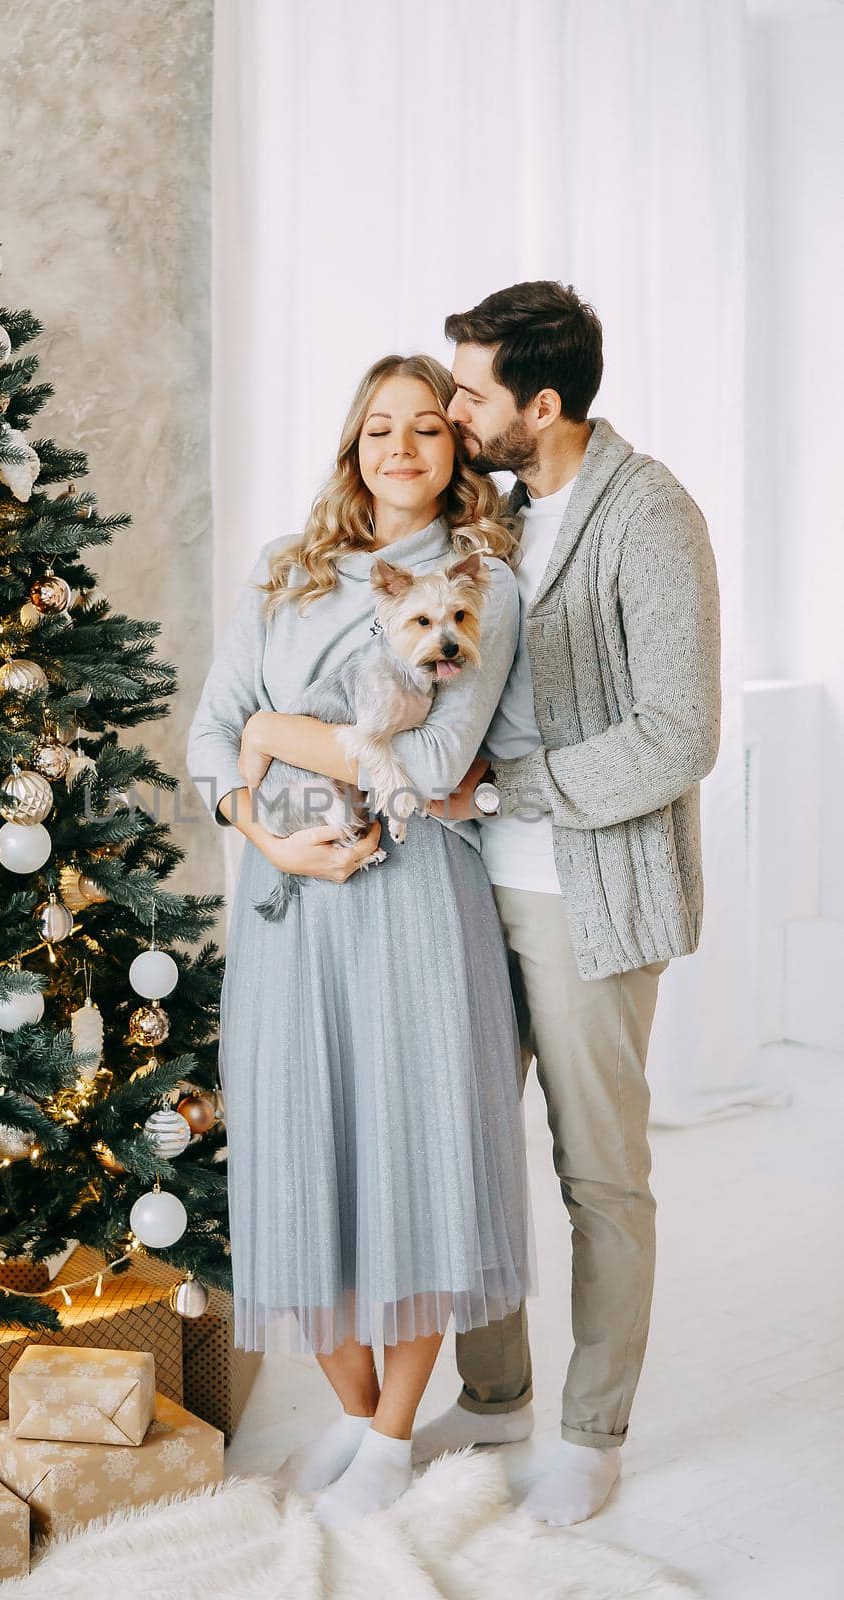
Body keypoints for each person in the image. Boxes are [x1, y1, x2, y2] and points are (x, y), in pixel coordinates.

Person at [186, 353, 534, 1531]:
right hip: (287, 906)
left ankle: (393, 1433)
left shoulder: (481, 581)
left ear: (453, 451)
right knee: (298, 1147)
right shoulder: (285, 574)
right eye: (378, 427)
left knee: (417, 1144)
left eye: (428, 428)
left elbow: (434, 766)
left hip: (414, 908)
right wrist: (261, 832)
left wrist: (285, 728)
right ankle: (350, 1408)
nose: (401, 447)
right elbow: (209, 737)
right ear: (352, 446)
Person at [407, 281, 722, 1525]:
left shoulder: (649, 516)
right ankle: (492, 1400)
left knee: (597, 1174)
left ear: (541, 404)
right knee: (473, 1156)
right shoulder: (489, 510)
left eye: (471, 390)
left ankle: (592, 1431)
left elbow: (678, 733)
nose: (449, 408)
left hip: (586, 895)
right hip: (462, 892)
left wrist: (504, 790)